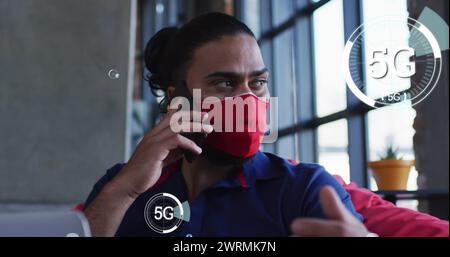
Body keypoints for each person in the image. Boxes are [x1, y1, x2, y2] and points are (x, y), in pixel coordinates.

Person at [83, 12, 371, 237]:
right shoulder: (121, 186)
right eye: (225, 83)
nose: (247, 98)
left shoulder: (305, 189)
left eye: (258, 82)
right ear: (178, 99)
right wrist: (125, 191)